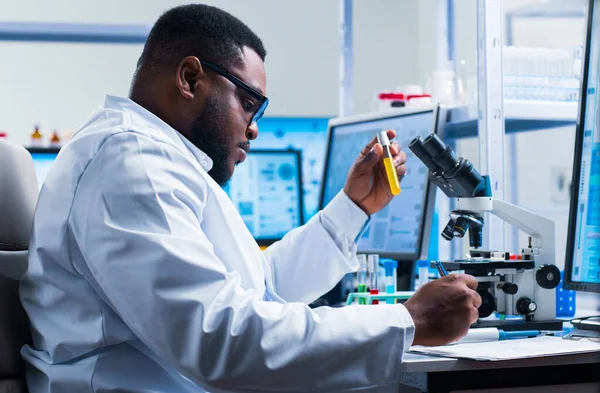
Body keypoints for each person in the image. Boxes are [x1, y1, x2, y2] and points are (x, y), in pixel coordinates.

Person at [20, 4, 482, 393]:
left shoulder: (158, 158)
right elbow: (219, 339)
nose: (255, 127)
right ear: (189, 77)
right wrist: (407, 320)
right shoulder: (131, 162)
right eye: (249, 103)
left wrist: (351, 209)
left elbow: (258, 287)